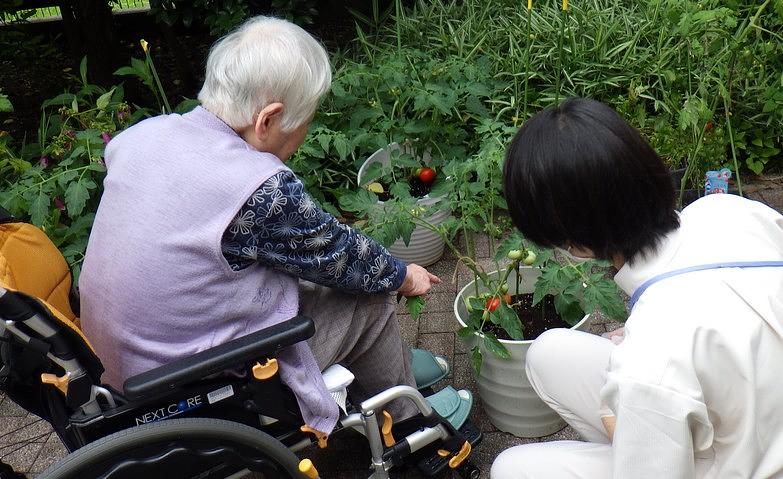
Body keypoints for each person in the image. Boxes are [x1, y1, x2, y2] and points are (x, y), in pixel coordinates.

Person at [79, 16, 440, 436]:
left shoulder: (142, 138)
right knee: (370, 300)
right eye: (307, 120)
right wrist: (404, 276)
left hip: (126, 360)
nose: (305, 133)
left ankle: (382, 389)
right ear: (268, 119)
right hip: (192, 383)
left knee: (309, 285)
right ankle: (416, 431)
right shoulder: (257, 189)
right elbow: (342, 257)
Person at [492, 97, 783, 478]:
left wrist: (624, 422)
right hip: (755, 422)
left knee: (512, 469)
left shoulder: (651, 357)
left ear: (573, 239)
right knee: (548, 352)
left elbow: (656, 376)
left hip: (740, 466)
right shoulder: (729, 210)